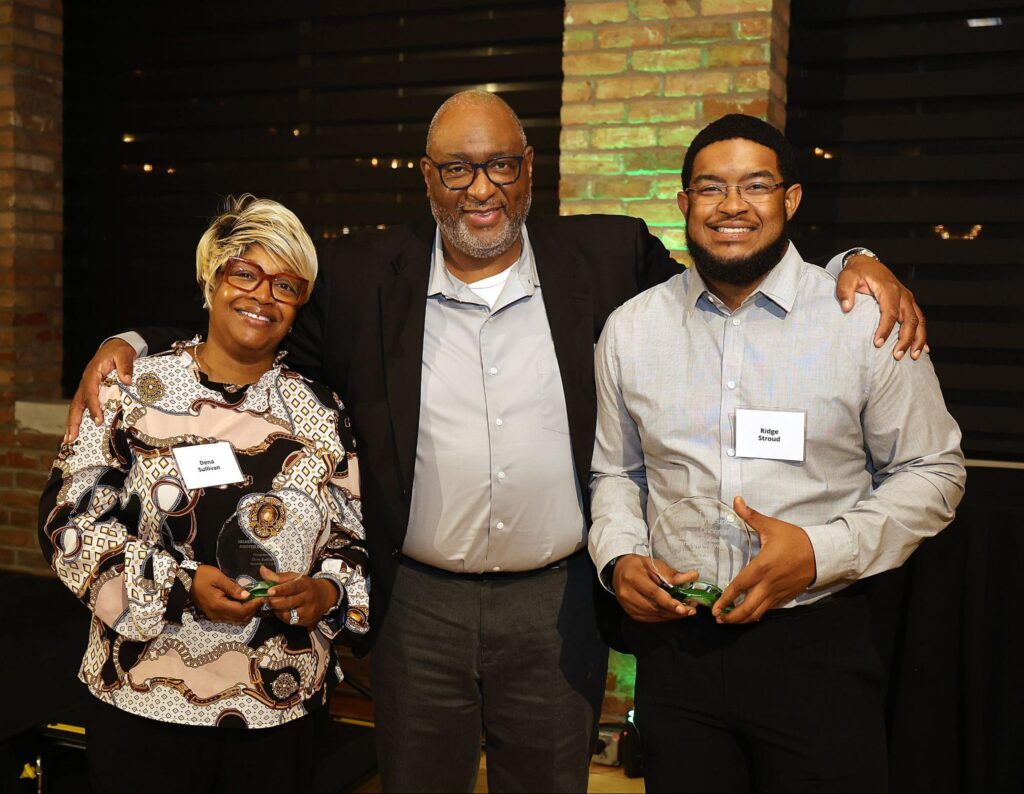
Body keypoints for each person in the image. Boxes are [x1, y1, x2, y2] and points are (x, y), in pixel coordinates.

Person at [66, 92, 926, 793]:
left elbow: (734, 285)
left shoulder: (605, 254)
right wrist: (138, 343)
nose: (482, 189)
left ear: (527, 169)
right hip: (419, 608)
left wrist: (849, 262)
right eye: (458, 168)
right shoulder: (368, 276)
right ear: (427, 177)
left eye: (501, 165)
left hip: (553, 605)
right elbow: (253, 325)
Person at [589, 114, 966, 793]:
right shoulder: (632, 329)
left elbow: (934, 472)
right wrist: (618, 557)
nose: (732, 205)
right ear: (684, 205)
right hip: (679, 651)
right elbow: (618, 470)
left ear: (789, 200)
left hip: (818, 646)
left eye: (755, 185)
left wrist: (821, 553)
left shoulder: (863, 320)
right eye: (710, 188)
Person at [40, 196, 369, 794]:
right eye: (246, 273)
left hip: (279, 702)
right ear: (211, 278)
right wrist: (179, 586)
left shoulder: (324, 411)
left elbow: (357, 540)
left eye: (286, 285)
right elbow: (70, 524)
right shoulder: (129, 389)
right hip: (142, 698)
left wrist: (327, 591)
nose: (262, 296)